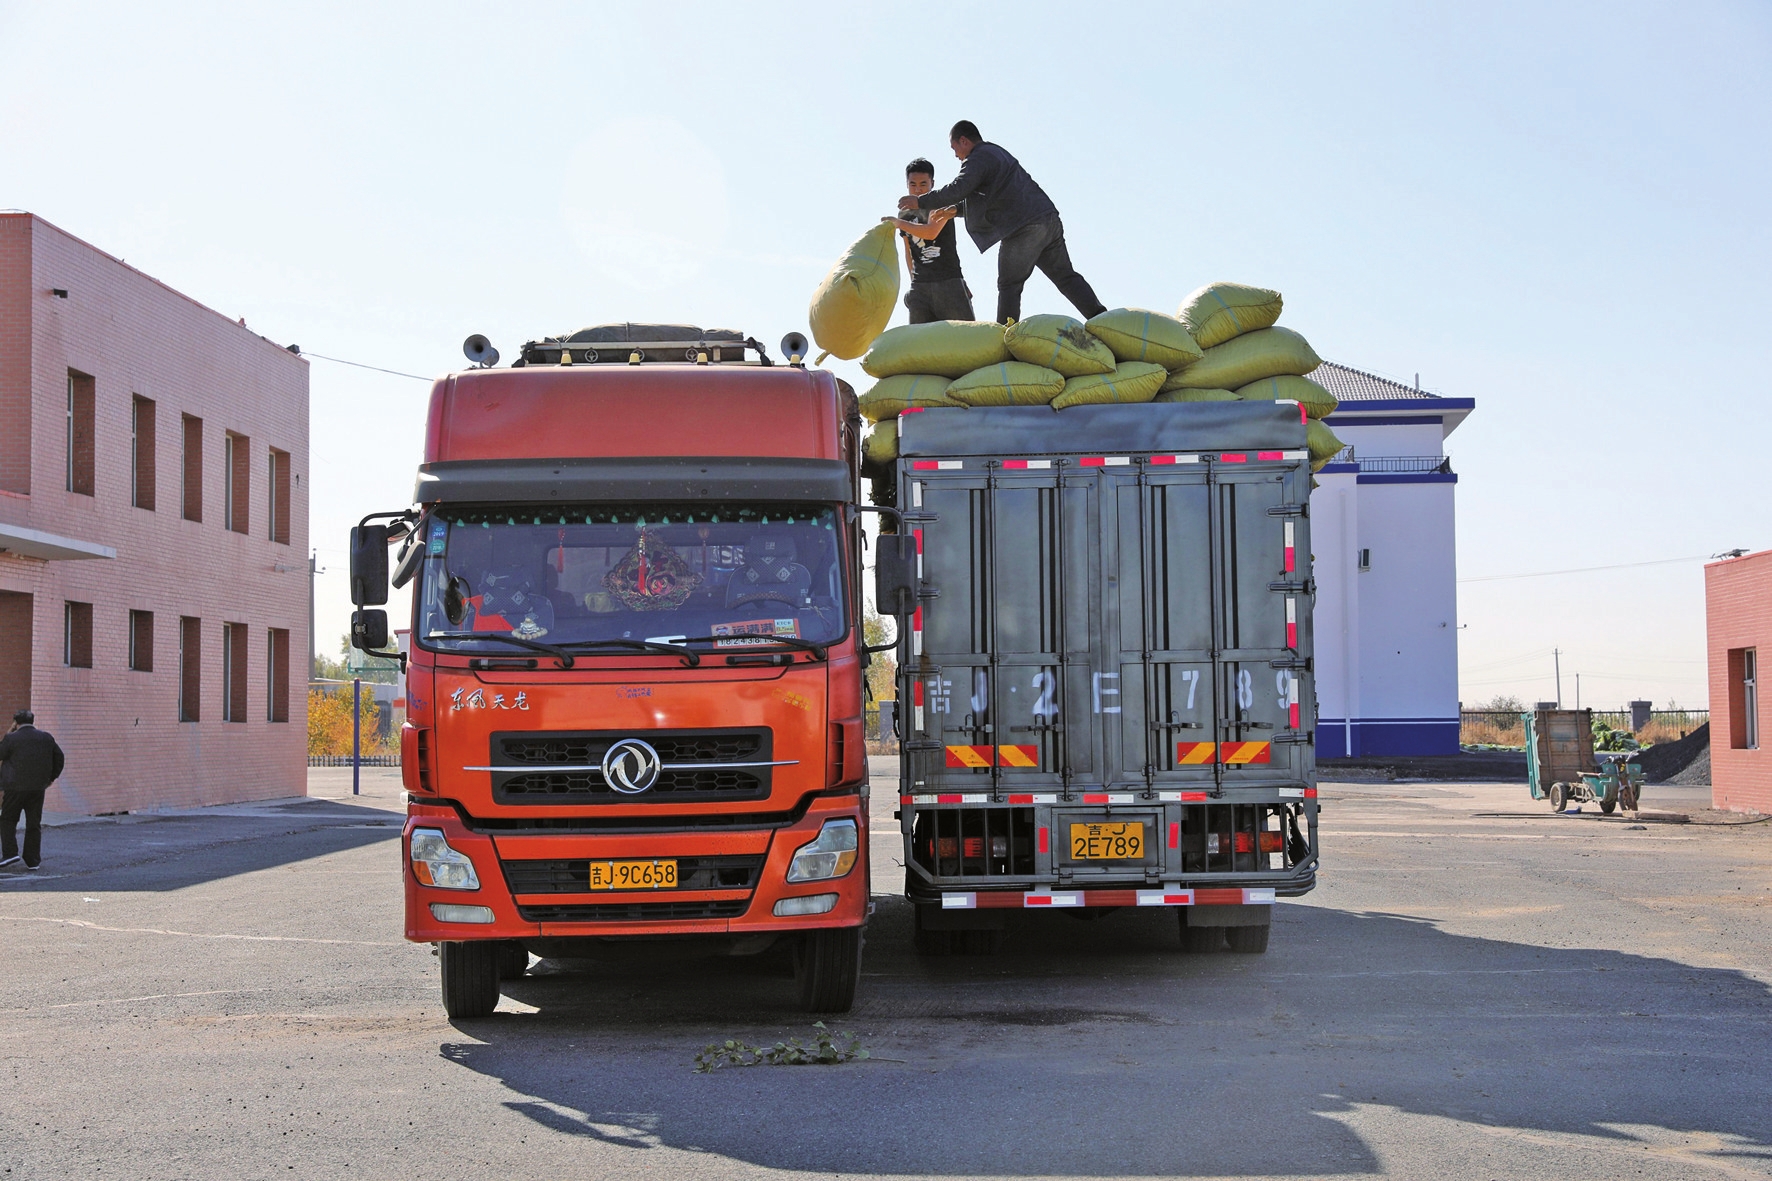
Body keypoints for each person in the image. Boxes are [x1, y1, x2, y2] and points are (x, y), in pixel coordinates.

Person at [897, 120, 1106, 326]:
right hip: (1047, 219)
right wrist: (956, 210)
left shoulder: (977, 158)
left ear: (964, 141)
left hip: (1024, 227)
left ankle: (1005, 336)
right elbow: (986, 195)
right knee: (1065, 277)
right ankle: (1101, 318)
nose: (956, 155)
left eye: (954, 148)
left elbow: (959, 187)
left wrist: (921, 201)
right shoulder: (996, 153)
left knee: (1008, 285)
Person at [880, 158, 975, 323]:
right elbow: (908, 252)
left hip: (948, 281)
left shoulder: (940, 204)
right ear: (907, 184)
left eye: (923, 184)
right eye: (913, 184)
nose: (918, 189)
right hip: (920, 286)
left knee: (966, 338)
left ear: (932, 183)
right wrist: (913, 282)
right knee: (920, 342)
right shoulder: (905, 214)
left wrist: (898, 223)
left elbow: (931, 232)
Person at [0, 710, 65, 871]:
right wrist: (51, 778)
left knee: (7, 819)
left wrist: (8, 732)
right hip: (37, 788)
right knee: (33, 823)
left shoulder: (11, 738)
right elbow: (59, 757)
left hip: (15, 788)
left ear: (16, 722)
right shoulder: (46, 737)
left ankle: (10, 853)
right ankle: (33, 860)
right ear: (32, 721)